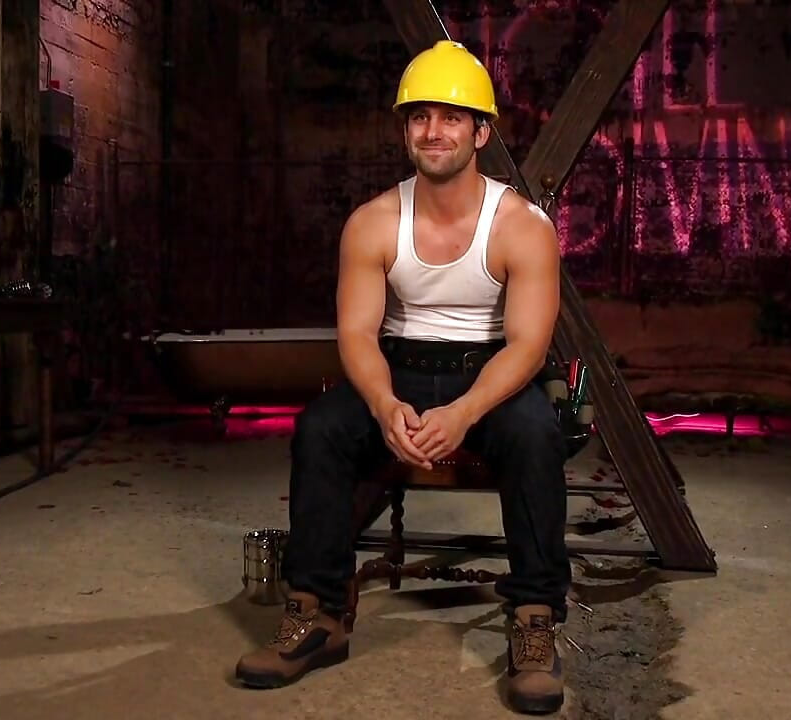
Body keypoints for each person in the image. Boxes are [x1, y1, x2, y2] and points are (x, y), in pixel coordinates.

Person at [235, 40, 570, 715]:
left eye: (452, 117)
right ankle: (318, 613)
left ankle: (534, 619)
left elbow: (529, 346)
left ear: (481, 132)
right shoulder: (373, 222)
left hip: (489, 375)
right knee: (323, 429)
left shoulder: (521, 225)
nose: (433, 131)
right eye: (420, 117)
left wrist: (465, 412)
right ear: (405, 130)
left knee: (537, 431)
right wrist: (385, 404)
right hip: (401, 370)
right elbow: (358, 334)